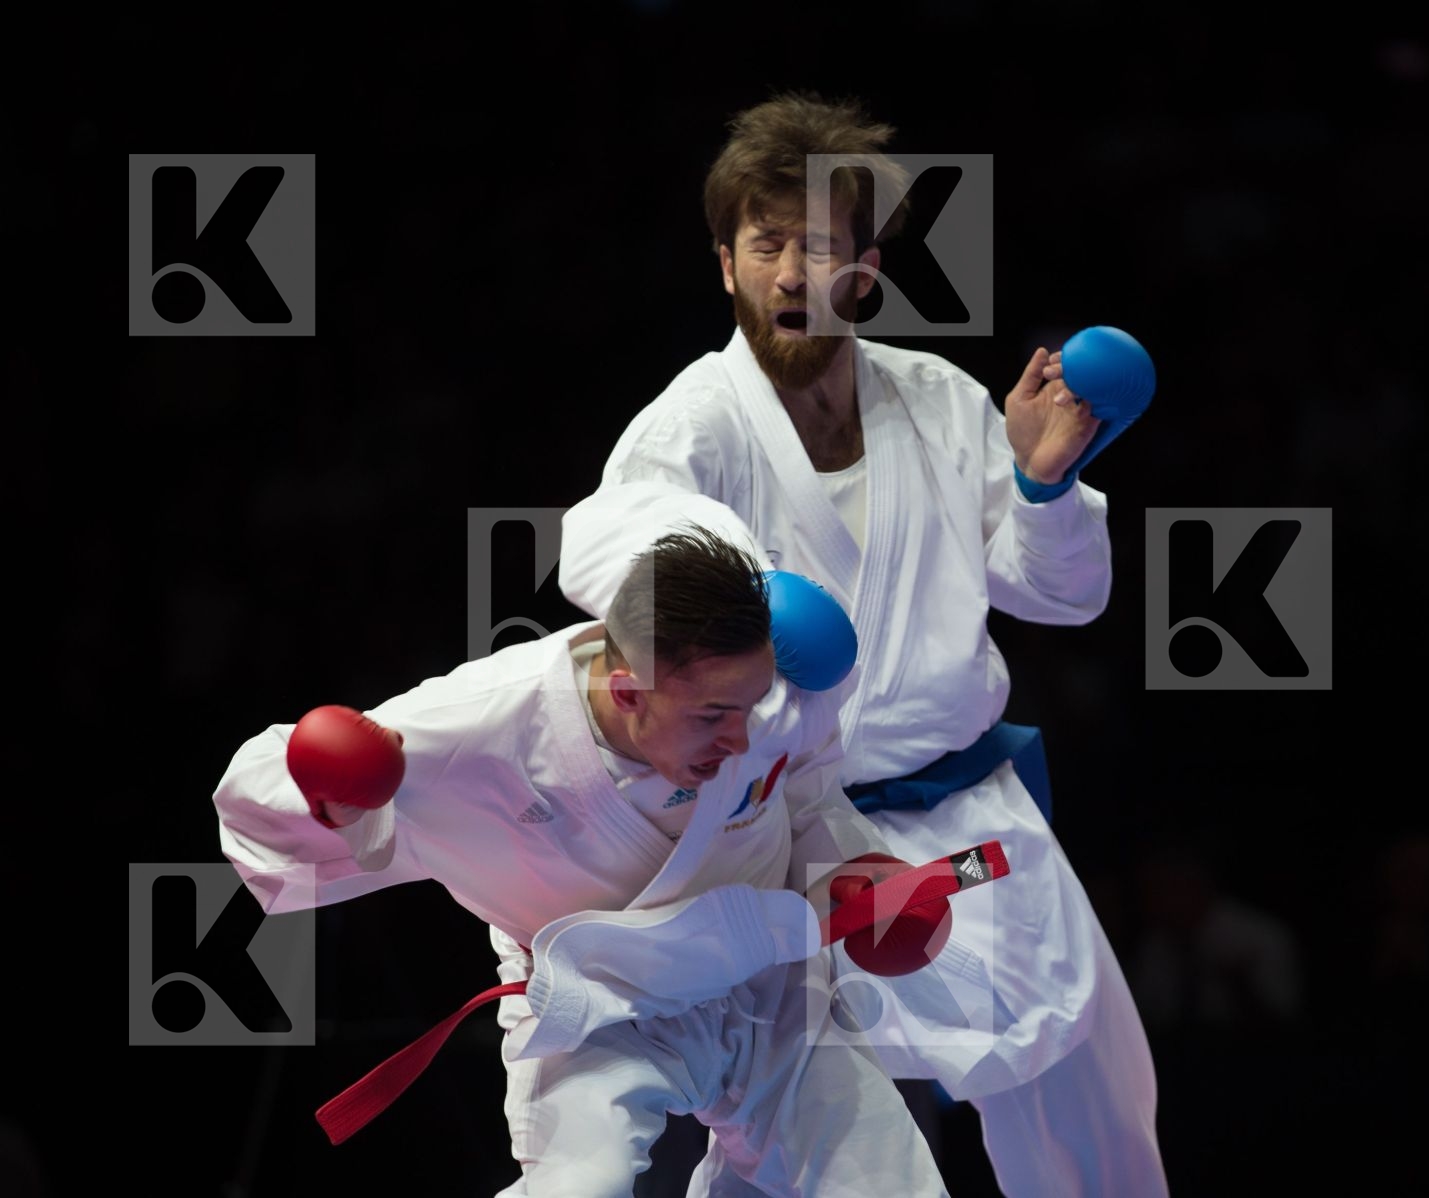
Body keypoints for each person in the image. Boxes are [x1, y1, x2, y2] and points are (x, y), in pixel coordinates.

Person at [561, 93, 1166, 1196]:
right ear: (728, 266)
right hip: (793, 835)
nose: (795, 272)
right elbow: (600, 547)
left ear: (869, 269)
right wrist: (724, 588)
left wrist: (1043, 485)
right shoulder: (691, 428)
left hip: (972, 814)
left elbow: (1063, 597)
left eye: (824, 245)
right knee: (800, 1145)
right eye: (767, 243)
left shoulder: (938, 401)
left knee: (1095, 1092)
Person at [213, 485, 950, 1197]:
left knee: (892, 1186)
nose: (743, 735)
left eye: (752, 707)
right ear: (627, 691)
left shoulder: (773, 679)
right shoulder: (484, 723)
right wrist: (338, 794)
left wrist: (858, 869)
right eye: (712, 716)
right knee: (579, 1188)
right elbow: (255, 799)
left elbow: (810, 791)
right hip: (602, 1006)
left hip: (770, 985)